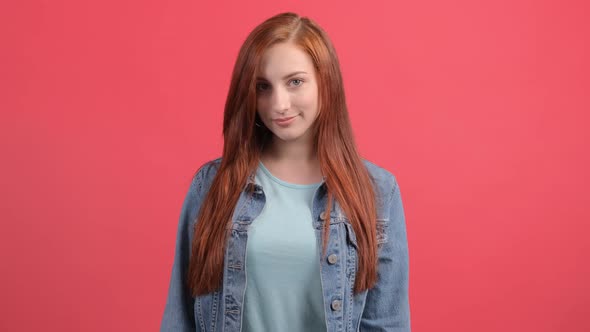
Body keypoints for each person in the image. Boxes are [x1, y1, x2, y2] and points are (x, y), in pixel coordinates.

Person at [160, 12, 411, 332]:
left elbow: (387, 323)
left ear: (326, 81)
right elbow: (179, 317)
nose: (278, 104)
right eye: (263, 87)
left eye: (295, 82)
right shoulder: (211, 186)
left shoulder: (378, 192)